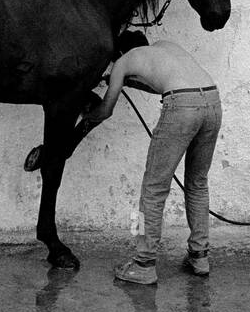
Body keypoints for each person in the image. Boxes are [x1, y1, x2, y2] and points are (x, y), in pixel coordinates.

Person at [81, 32, 222, 285]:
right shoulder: (166, 46)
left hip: (181, 106)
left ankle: (143, 263)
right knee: (198, 183)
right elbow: (160, 80)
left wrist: (88, 114)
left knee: (153, 188)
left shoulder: (123, 62)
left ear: (120, 52)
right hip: (212, 100)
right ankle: (200, 257)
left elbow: (106, 110)